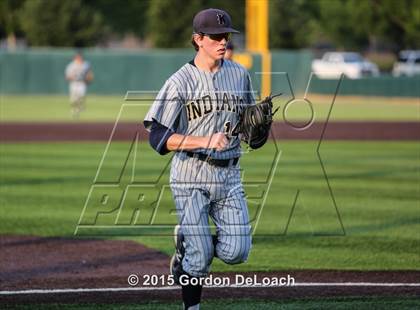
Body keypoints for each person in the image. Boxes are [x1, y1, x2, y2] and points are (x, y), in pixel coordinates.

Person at [144, 8, 255, 310]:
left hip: (229, 176)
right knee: (201, 254)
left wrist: (256, 131)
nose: (223, 42)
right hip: (190, 175)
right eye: (216, 36)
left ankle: (188, 245)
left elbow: (249, 125)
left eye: (226, 36)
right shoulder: (180, 82)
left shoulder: (239, 74)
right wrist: (204, 140)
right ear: (198, 39)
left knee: (237, 252)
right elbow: (158, 136)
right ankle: (190, 301)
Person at [65, 52, 94, 118]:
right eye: (78, 57)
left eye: (80, 57)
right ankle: (74, 110)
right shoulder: (71, 65)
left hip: (82, 82)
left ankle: (78, 109)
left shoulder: (85, 64)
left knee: (81, 96)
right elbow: (67, 76)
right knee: (73, 98)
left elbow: (89, 73)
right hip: (74, 82)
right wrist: (72, 77)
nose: (79, 59)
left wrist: (89, 78)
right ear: (75, 58)